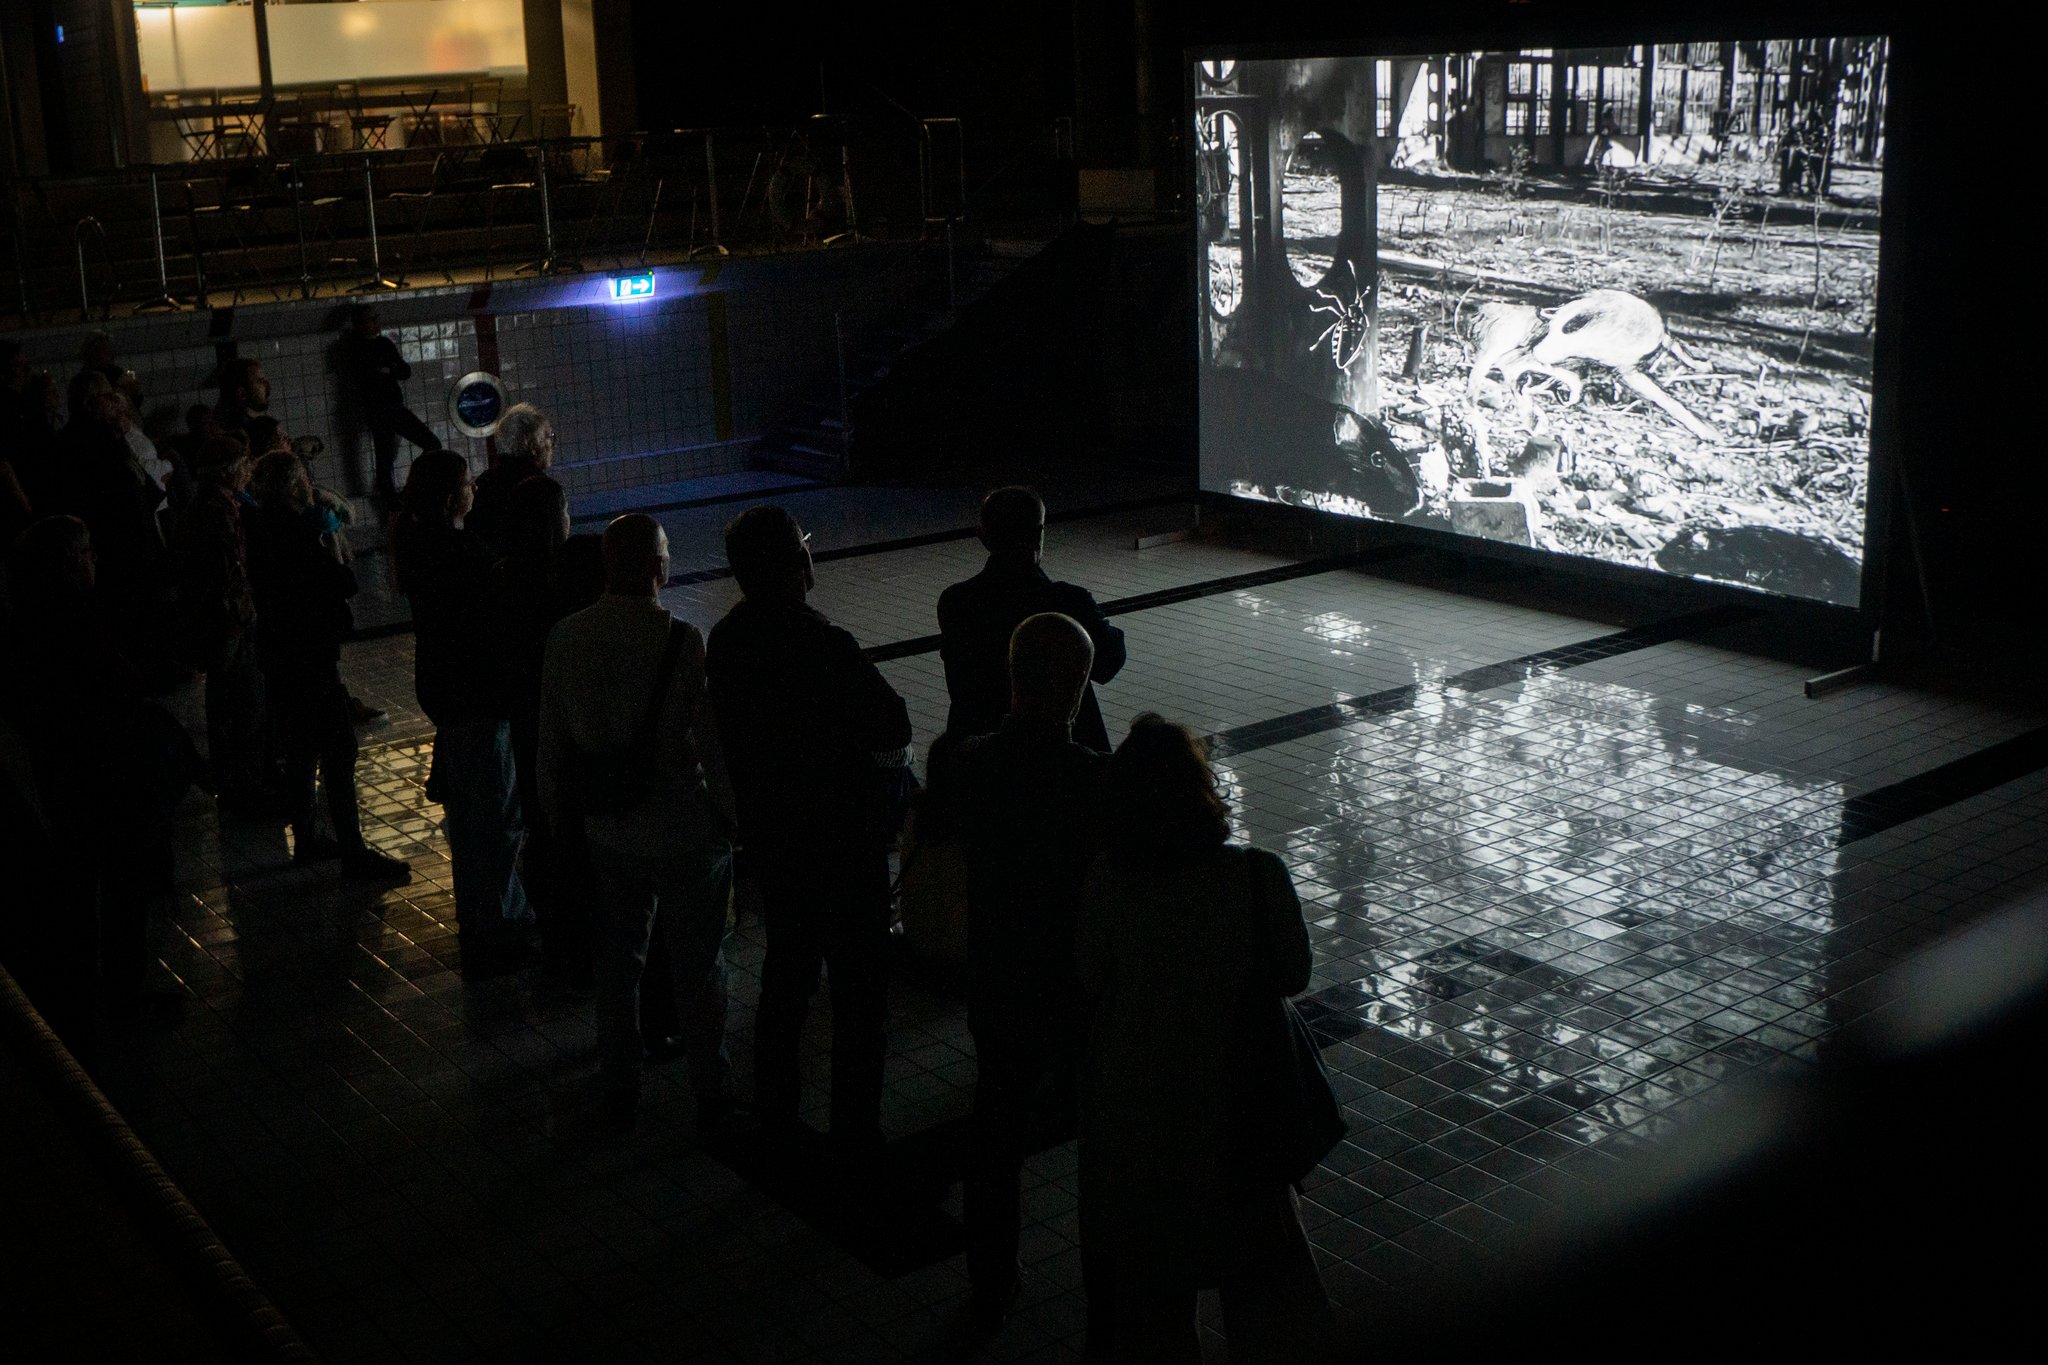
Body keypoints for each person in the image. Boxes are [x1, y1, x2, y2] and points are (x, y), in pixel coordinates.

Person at [1076, 714, 1334, 1363]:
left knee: (1157, 1303)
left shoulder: (1109, 878)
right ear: (1203, 790)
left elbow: (1090, 976)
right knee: (1266, 1293)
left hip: (1140, 1106)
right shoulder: (1256, 874)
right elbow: (1293, 974)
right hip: (1241, 1104)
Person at [706, 505, 912, 1152]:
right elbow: (893, 722)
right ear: (799, 562)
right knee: (858, 995)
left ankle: (776, 1113)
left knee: (786, 976)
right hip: (842, 843)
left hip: (775, 837)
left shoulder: (728, 640)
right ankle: (855, 1130)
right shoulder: (825, 644)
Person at [540, 514, 743, 1127]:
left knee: (617, 965)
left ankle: (621, 1083)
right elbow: (712, 744)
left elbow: (551, 747)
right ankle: (711, 1089)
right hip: (684, 830)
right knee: (699, 967)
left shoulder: (566, 637)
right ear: (659, 567)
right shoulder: (682, 639)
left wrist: (561, 824)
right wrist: (731, 817)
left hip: (608, 831)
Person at [944, 612, 1110, 1324]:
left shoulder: (969, 764)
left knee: (996, 1127)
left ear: (1012, 678)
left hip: (1000, 974)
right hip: (1077, 981)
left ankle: (990, 1277)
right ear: (1078, 686)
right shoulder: (1096, 781)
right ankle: (1112, 1278)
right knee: (1102, 1131)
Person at [392, 449, 533, 980]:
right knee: (496, 819)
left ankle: (478, 919)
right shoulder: (462, 552)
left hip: (446, 693)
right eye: (469, 483)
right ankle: (502, 924)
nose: (475, 489)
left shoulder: (419, 544)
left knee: (470, 819)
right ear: (453, 496)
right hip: (479, 695)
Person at [245, 449, 409, 881]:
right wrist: (330, 549)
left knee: (301, 750)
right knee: (339, 749)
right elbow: (340, 582)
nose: (309, 485)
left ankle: (307, 839)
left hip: (280, 655)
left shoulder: (259, 527)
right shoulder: (297, 531)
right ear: (293, 484)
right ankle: (353, 851)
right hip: (310, 656)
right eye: (303, 477)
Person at [938, 487, 1126, 754]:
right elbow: (1110, 663)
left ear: (983, 536)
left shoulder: (956, 602)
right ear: (1039, 533)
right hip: (1065, 747)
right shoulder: (1068, 601)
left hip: (982, 744)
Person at [494, 474, 588, 986]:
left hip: (524, 720)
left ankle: (556, 945)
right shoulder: (559, 580)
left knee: (539, 824)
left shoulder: (502, 574)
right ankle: (574, 948)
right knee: (567, 836)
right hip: (561, 724)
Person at [173, 435, 274, 815]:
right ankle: (242, 786)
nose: (248, 471)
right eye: (243, 464)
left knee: (231, 699)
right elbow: (227, 572)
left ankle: (239, 781)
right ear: (229, 469)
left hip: (222, 618)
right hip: (227, 620)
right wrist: (242, 613)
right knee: (240, 702)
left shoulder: (212, 505)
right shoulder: (217, 510)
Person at [339, 305, 438, 505]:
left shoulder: (381, 344)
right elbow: (375, 374)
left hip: (386, 407)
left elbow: (404, 371)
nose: (377, 323)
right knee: (391, 457)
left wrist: (388, 370)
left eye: (376, 318)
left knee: (388, 459)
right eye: (372, 319)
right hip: (382, 408)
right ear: (360, 325)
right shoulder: (359, 348)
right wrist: (390, 369)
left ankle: (396, 499)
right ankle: (399, 498)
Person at [466, 403, 556, 555]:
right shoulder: (541, 487)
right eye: (549, 436)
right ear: (532, 445)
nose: (552, 445)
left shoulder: (484, 482)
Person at [214, 357, 271, 441]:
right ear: (241, 393)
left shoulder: (220, 421)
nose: (267, 387)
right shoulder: (242, 433)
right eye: (260, 381)